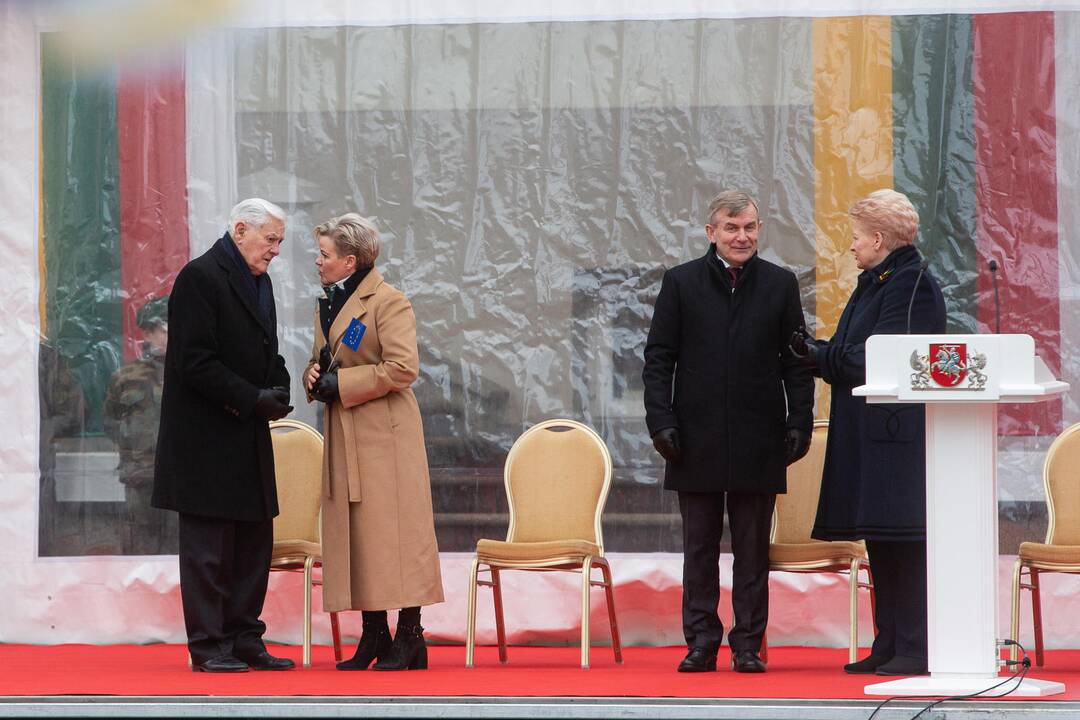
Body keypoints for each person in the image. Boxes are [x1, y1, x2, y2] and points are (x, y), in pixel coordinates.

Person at [643, 190, 814, 674]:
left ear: (759, 229)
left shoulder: (780, 285)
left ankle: (746, 644)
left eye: (750, 227)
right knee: (698, 548)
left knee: (752, 549)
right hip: (693, 439)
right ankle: (700, 641)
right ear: (711, 232)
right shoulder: (681, 283)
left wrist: (799, 420)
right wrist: (662, 422)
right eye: (731, 228)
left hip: (760, 437)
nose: (742, 237)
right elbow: (658, 361)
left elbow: (796, 363)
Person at [790, 188, 946, 677]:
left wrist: (818, 357)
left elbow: (881, 357)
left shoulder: (911, 284)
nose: (851, 246)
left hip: (896, 437)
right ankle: (888, 642)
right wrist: (822, 353)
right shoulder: (878, 281)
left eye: (856, 237)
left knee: (905, 539)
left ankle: (916, 647)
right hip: (873, 431)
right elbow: (849, 348)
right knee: (882, 538)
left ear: (879, 238)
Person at [152, 198, 295, 673]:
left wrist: (279, 384)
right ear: (240, 230)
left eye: (279, 240)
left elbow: (265, 349)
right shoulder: (200, 277)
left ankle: (244, 637)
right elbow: (193, 361)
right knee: (209, 552)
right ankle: (209, 645)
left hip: (247, 435)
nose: (276, 249)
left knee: (253, 544)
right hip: (205, 440)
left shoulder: (261, 282)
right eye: (270, 238)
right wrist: (253, 398)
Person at [304, 213, 444, 672]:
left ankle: (409, 634)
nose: (317, 260)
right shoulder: (328, 301)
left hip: (386, 436)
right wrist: (313, 375)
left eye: (323, 254)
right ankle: (374, 634)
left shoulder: (389, 302)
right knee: (357, 535)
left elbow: (403, 368)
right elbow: (325, 358)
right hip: (346, 432)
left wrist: (341, 385)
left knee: (395, 536)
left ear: (349, 260)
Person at [103, 296, 177, 555]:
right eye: (165, 329)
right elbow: (110, 422)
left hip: (183, 479)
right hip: (140, 478)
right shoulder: (125, 377)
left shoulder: (192, 374)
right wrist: (134, 449)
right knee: (140, 548)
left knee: (180, 549)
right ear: (147, 332)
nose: (171, 335)